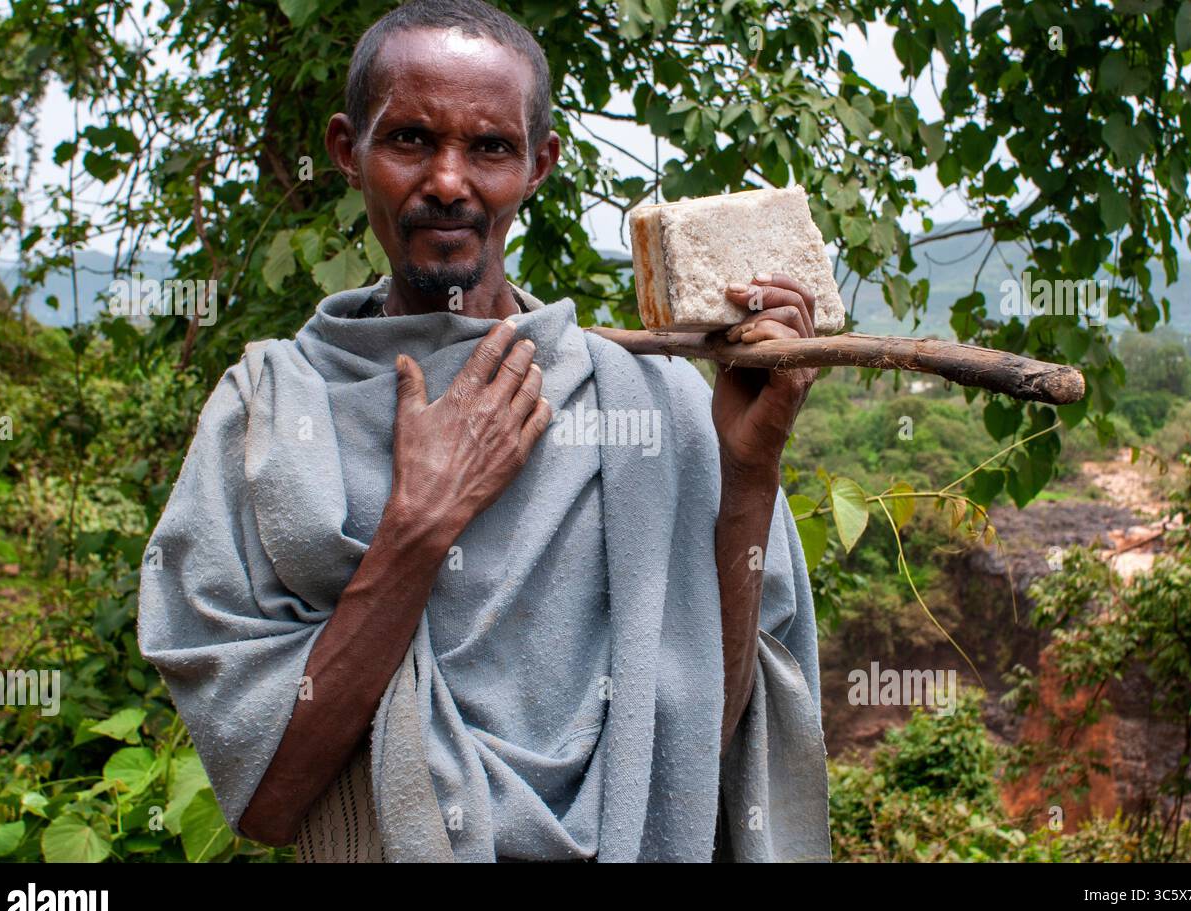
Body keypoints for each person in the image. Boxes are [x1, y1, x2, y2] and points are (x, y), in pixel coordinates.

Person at [137, 0, 830, 863]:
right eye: (411, 140)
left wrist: (750, 471)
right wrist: (419, 525)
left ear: (538, 165)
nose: (450, 181)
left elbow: (696, 750)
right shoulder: (271, 414)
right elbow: (268, 797)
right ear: (348, 151)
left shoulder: (648, 403)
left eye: (490, 147)